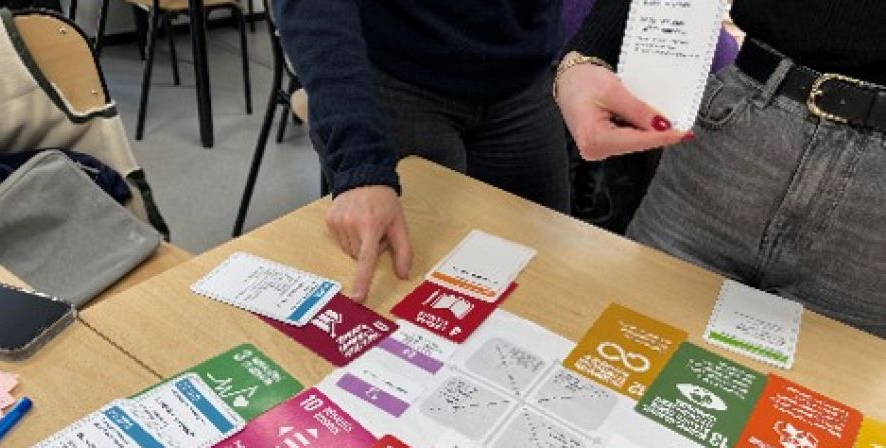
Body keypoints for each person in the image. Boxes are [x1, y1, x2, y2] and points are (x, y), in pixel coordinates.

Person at [274, 0, 688, 302]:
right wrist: (359, 162)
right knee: (400, 289)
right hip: (397, 76)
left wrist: (580, 59)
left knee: (539, 280)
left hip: (522, 79)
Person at [556, 0, 886, 337]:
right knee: (626, 342)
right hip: (737, 138)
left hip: (875, 229)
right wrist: (591, 54)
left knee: (826, 371)